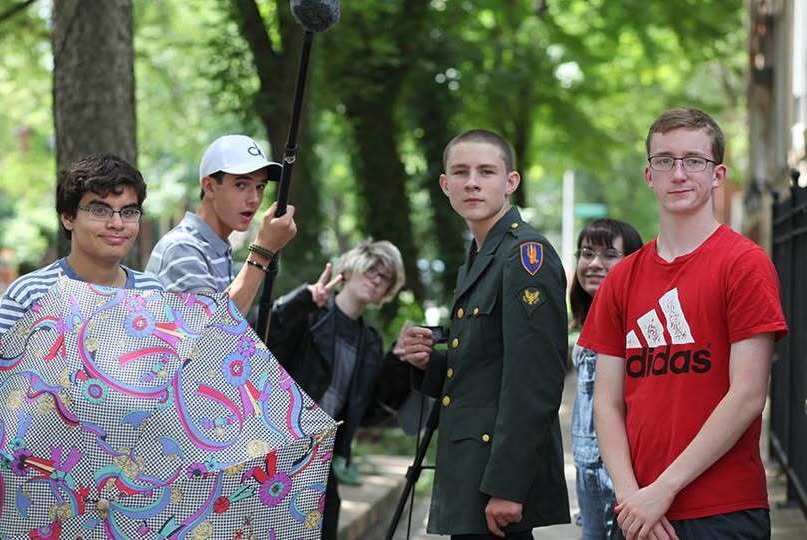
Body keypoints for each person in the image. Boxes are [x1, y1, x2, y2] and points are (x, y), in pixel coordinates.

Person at [579, 108, 788, 540]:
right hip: (636, 513)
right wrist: (632, 497)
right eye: (664, 161)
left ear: (717, 175)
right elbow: (606, 404)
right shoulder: (622, 278)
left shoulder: (744, 265)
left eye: (694, 161)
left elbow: (747, 395)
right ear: (648, 175)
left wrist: (664, 490)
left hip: (724, 510)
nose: (678, 173)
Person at [397, 129, 570, 539]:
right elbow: (482, 365)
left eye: (486, 171)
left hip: (495, 479)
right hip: (472, 468)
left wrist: (508, 486)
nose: (472, 181)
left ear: (511, 182)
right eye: (460, 172)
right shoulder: (482, 253)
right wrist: (429, 361)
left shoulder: (526, 257)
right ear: (445, 185)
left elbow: (535, 381)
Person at [266, 240, 412, 540]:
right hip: (278, 444)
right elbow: (263, 342)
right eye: (372, 269)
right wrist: (300, 302)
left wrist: (397, 363)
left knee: (326, 521)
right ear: (350, 268)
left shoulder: (370, 342)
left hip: (321, 455)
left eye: (385, 277)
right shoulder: (310, 313)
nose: (376, 279)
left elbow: (369, 413)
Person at [0, 154, 163, 337]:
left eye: (129, 212)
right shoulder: (30, 295)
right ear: (68, 218)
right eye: (100, 210)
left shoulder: (151, 291)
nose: (117, 223)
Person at [145, 134, 297, 316]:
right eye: (241, 185)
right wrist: (263, 251)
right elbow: (212, 333)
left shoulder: (215, 247)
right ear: (209, 186)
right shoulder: (182, 248)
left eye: (260, 187)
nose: (254, 199)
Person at [569, 218, 642, 539]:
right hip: (588, 471)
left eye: (609, 255)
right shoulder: (586, 321)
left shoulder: (635, 325)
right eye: (586, 254)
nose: (594, 264)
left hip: (617, 474)